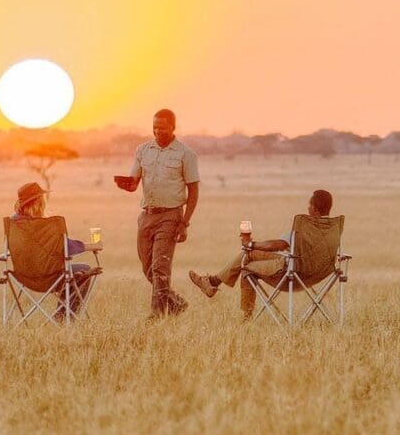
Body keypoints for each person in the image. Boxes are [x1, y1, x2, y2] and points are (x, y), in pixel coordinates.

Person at [192, 187, 333, 317]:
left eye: (309, 205)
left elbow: (278, 245)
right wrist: (252, 247)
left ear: (314, 209)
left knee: (246, 267)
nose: (308, 208)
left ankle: (246, 317)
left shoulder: (305, 227)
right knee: (248, 254)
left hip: (291, 272)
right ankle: (212, 282)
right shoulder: (333, 230)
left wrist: (252, 243)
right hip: (315, 274)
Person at [121, 108, 200, 317]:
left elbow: (193, 191)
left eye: (162, 128)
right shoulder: (143, 151)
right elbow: (134, 182)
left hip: (170, 215)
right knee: (147, 267)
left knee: (160, 268)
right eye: (155, 127)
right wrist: (127, 185)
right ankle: (176, 303)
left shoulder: (186, 154)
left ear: (173, 127)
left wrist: (184, 223)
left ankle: (157, 315)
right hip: (147, 215)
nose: (158, 131)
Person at [6, 180, 96, 314]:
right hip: (50, 277)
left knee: (74, 274)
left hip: (23, 276)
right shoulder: (42, 225)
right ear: (39, 203)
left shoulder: (13, 224)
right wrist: (90, 246)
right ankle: (63, 317)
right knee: (84, 270)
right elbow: (63, 246)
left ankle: (62, 314)